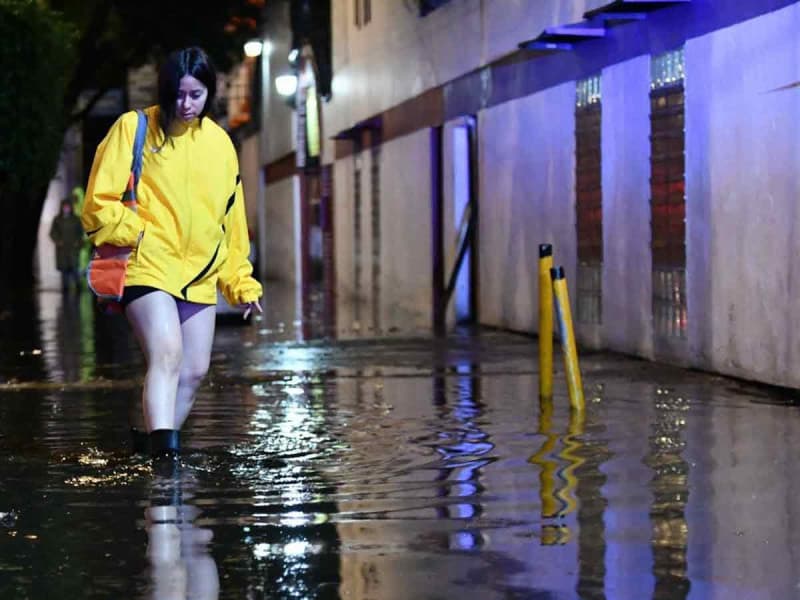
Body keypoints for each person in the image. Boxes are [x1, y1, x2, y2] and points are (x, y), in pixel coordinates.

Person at [81, 47, 263, 460]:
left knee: (195, 370)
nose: (186, 104)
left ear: (208, 92)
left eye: (195, 94)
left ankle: (147, 445)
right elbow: (97, 201)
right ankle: (166, 464)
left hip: (199, 274)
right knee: (167, 352)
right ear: (166, 91)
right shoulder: (135, 128)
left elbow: (231, 223)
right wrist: (137, 231)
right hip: (146, 265)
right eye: (178, 94)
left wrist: (240, 282)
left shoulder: (220, 144)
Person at [49, 198, 85, 292]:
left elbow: (80, 232)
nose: (66, 208)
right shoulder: (57, 219)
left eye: (68, 206)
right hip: (62, 249)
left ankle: (78, 288)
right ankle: (65, 290)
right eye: (64, 207)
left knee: (74, 269)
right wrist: (58, 241)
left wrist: (78, 242)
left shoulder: (76, 219)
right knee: (64, 271)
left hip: (73, 248)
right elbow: (53, 233)